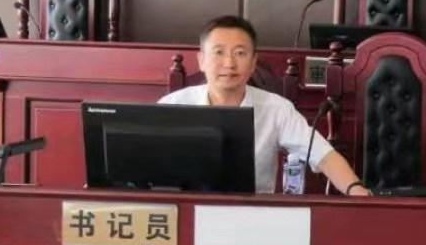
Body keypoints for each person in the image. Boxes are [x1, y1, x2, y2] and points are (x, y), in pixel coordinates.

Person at [159, 15, 370, 196]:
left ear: (253, 62)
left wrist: (355, 189)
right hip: (185, 213)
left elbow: (323, 155)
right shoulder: (173, 106)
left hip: (254, 215)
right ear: (201, 61)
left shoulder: (276, 109)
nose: (229, 63)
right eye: (219, 52)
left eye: (240, 53)